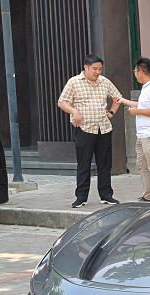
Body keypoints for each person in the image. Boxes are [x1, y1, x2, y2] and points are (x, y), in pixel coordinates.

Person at [58, 54, 122, 208]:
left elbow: (117, 98)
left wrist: (111, 112)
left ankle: (106, 195)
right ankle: (81, 197)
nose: (98, 72)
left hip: (104, 128)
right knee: (84, 165)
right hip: (84, 130)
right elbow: (62, 102)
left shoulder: (104, 82)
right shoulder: (74, 82)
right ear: (86, 67)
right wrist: (74, 112)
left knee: (105, 165)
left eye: (100, 69)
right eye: (94, 69)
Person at [115, 57, 150, 203]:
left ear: (141, 71)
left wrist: (136, 112)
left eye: (135, 71)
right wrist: (123, 101)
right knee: (143, 166)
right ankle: (148, 195)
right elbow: (142, 105)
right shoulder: (148, 87)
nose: (134, 74)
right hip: (143, 134)